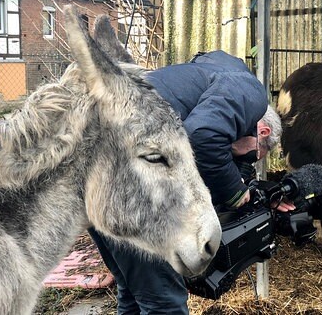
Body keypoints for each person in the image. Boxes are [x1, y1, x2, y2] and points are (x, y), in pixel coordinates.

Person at [88, 50, 292, 314]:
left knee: (134, 292)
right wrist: (235, 191)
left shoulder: (210, 80)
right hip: (131, 184)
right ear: (262, 131)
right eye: (255, 155)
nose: (247, 161)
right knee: (165, 303)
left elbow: (198, 150)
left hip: (97, 177)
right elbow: (201, 137)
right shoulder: (251, 93)